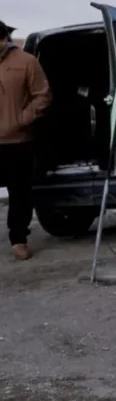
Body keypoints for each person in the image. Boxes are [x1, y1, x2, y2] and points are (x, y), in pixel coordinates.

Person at [0, 20, 51, 261]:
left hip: (17, 141)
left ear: (3, 39)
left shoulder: (26, 62)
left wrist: (22, 119)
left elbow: (43, 95)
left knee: (19, 192)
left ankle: (18, 239)